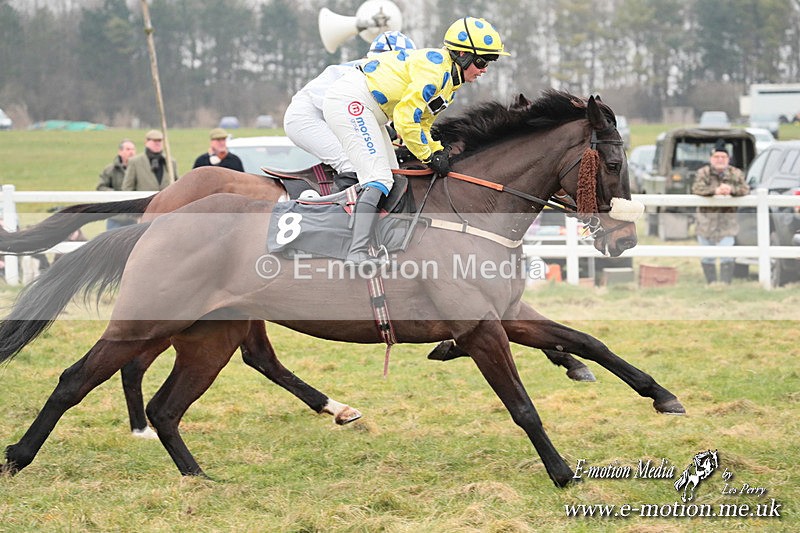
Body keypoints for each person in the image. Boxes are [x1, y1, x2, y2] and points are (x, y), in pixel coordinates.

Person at [321, 17, 510, 267]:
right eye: (481, 61)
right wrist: (428, 156)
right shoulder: (435, 72)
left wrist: (436, 151)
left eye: (489, 63)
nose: (484, 69)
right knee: (379, 179)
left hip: (370, 110)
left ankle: (379, 242)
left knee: (393, 176)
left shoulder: (450, 81)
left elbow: (422, 123)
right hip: (352, 103)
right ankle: (355, 252)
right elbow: (406, 119)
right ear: (462, 54)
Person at [283, 30, 417, 176]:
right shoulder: (366, 73)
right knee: (356, 166)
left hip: (327, 114)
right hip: (307, 117)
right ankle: (346, 199)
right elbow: (346, 115)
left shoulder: (374, 73)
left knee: (391, 169)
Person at [691, 140, 750, 284]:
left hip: (727, 222)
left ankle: (725, 284)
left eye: (723, 157)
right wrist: (714, 191)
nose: (720, 160)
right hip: (706, 222)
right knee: (707, 255)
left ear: (728, 159)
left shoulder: (735, 173)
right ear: (711, 159)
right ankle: (711, 284)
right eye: (717, 157)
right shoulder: (703, 173)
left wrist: (731, 191)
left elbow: (745, 189)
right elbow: (696, 189)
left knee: (727, 254)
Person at [97, 139, 138, 230]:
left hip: (134, 217)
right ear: (120, 152)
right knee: (112, 243)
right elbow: (101, 187)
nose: (131, 152)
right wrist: (116, 194)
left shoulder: (140, 170)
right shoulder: (110, 169)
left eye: (133, 149)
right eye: (128, 149)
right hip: (115, 217)